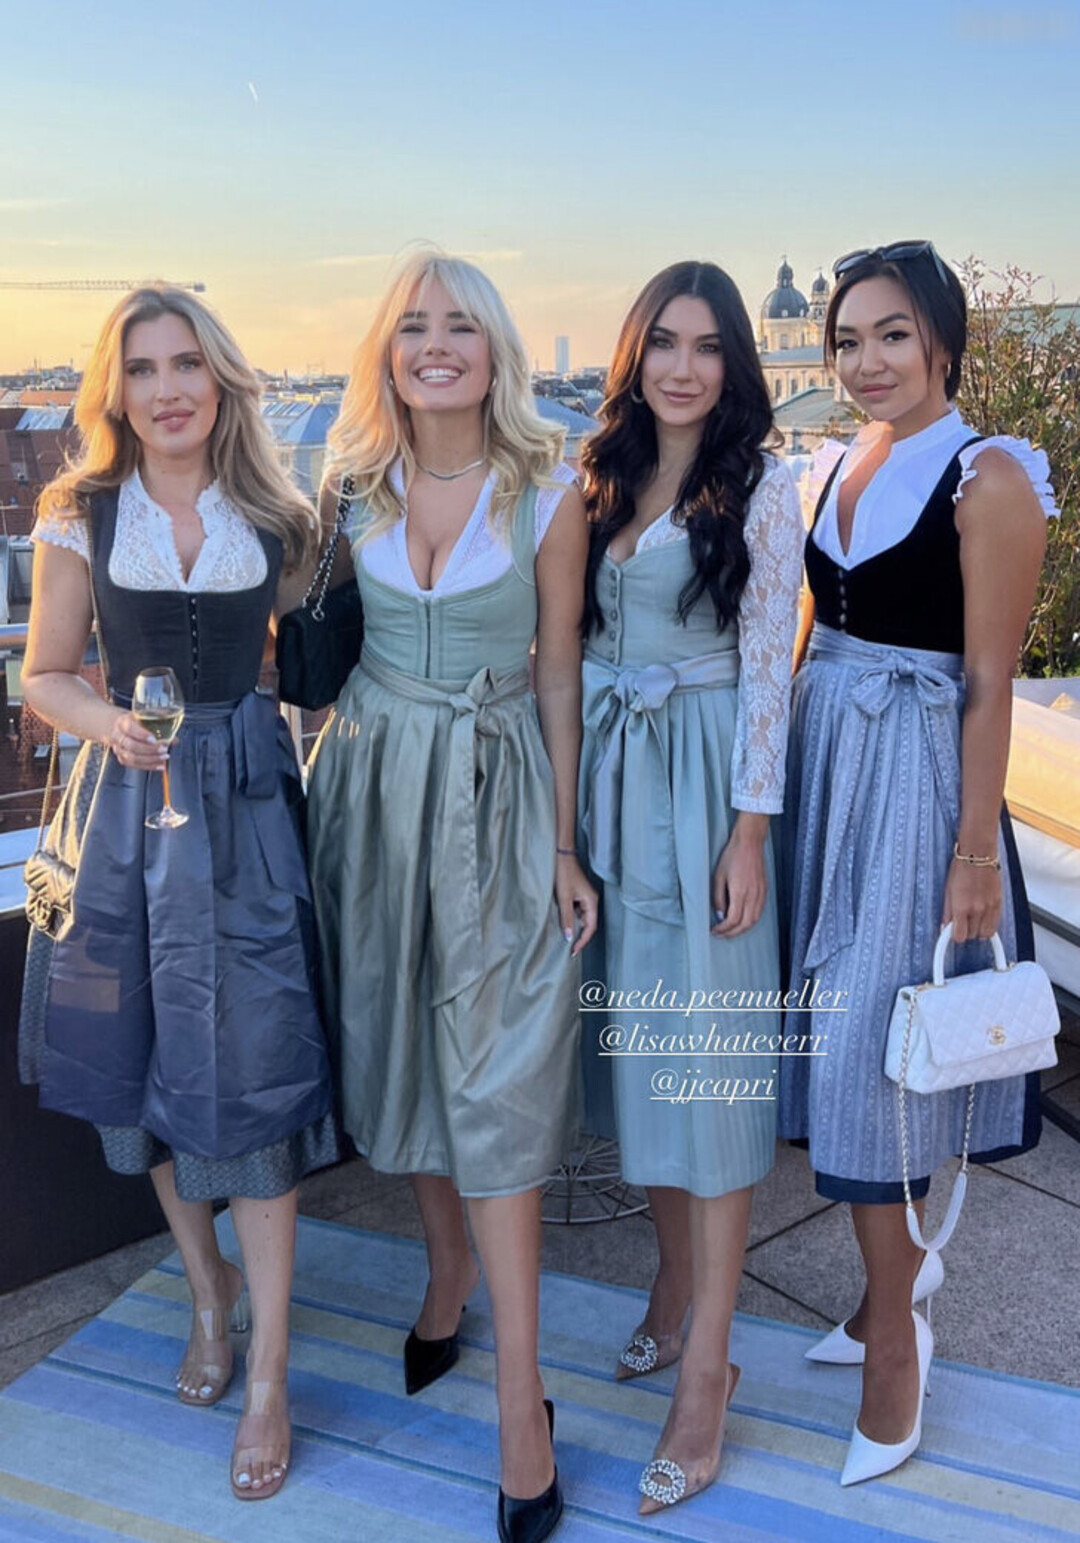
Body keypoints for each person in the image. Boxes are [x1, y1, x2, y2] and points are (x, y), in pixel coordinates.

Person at [19, 285, 337, 1502]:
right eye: (143, 368)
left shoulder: (281, 515)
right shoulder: (79, 513)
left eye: (187, 364)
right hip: (129, 814)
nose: (167, 389)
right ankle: (210, 1293)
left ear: (222, 379)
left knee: (257, 1067)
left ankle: (270, 1374)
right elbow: (46, 674)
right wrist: (110, 722)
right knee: (143, 1051)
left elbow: (315, 666)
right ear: (117, 389)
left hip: (250, 811)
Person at [305, 250, 597, 1543]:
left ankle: (522, 1402)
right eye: (414, 324)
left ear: (496, 352)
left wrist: (566, 846)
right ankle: (445, 1274)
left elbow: (557, 676)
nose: (435, 344)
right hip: (370, 796)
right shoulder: (349, 487)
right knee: (402, 1047)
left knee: (498, 1077)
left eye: (461, 326)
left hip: (494, 792)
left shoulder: (548, 492)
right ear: (387, 349)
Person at [779, 242, 1055, 1484]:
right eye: (848, 340)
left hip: (917, 780)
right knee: (833, 1044)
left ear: (943, 338)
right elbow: (806, 634)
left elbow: (990, 679)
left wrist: (973, 853)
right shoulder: (836, 461)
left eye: (893, 334)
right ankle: (887, 1291)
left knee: (869, 1059)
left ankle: (897, 1337)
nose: (867, 361)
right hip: (828, 766)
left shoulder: (989, 475)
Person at [577, 260, 803, 1514]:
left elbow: (768, 666)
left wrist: (750, 831)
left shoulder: (761, 485)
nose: (682, 366)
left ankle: (709, 1366)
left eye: (708, 346)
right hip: (615, 788)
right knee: (648, 1062)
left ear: (736, 365)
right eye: (663, 341)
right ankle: (671, 1286)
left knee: (711, 1074)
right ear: (634, 352)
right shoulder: (601, 473)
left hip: (708, 782)